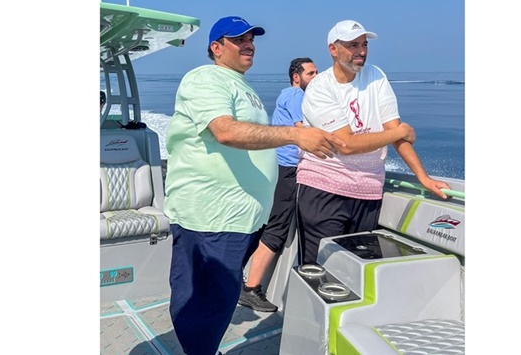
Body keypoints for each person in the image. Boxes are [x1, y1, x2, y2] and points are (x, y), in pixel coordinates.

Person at [163, 16, 345, 355]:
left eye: (251, 38)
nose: (249, 44)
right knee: (203, 300)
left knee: (218, 298)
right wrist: (295, 134)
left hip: (238, 219)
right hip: (209, 217)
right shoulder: (206, 78)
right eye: (238, 39)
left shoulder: (238, 84)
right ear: (216, 48)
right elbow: (226, 131)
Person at [297, 20, 451, 265]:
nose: (361, 51)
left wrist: (423, 177)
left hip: (368, 190)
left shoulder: (375, 76)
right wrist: (399, 132)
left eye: (364, 44)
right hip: (324, 188)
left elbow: (393, 128)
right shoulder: (319, 88)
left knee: (355, 270)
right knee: (320, 271)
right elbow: (346, 144)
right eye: (352, 45)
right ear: (333, 49)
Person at [238, 58, 318, 313]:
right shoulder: (296, 95)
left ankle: (236, 276)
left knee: (265, 224)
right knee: (276, 229)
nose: (317, 77)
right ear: (297, 77)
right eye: (311, 73)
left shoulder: (290, 94)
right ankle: (251, 290)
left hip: (278, 166)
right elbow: (304, 130)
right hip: (286, 169)